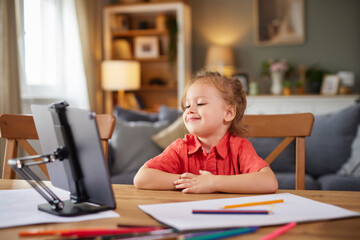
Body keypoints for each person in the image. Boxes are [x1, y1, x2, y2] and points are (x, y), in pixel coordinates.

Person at [133, 70, 278, 194]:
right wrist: (193, 183)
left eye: (200, 103)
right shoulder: (180, 148)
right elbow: (142, 178)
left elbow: (269, 181)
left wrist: (213, 183)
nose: (189, 110)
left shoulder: (239, 147)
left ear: (228, 113)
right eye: (187, 105)